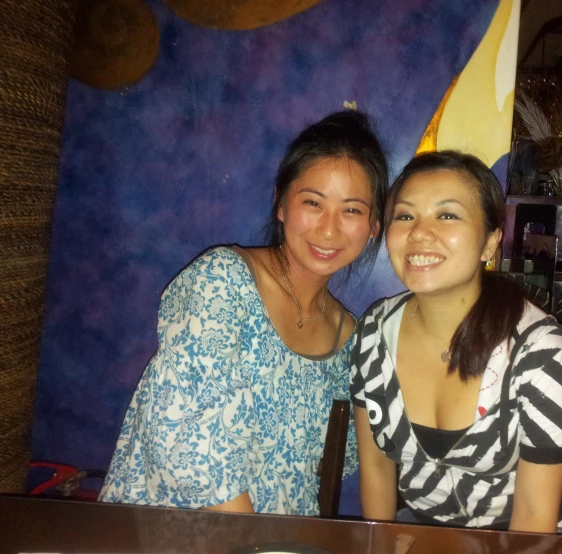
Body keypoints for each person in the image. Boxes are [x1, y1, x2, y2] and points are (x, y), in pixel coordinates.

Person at [99, 110, 389, 515]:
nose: (329, 229)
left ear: (374, 225)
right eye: (313, 202)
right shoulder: (222, 281)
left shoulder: (351, 338)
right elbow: (187, 441)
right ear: (281, 203)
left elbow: (342, 459)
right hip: (177, 532)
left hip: (283, 537)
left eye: (352, 210)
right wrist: (253, 543)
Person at [350, 151, 562, 533]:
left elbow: (533, 518)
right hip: (423, 533)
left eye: (447, 215)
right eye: (405, 215)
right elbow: (377, 468)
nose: (419, 232)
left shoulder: (538, 353)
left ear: (490, 242)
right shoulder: (374, 332)